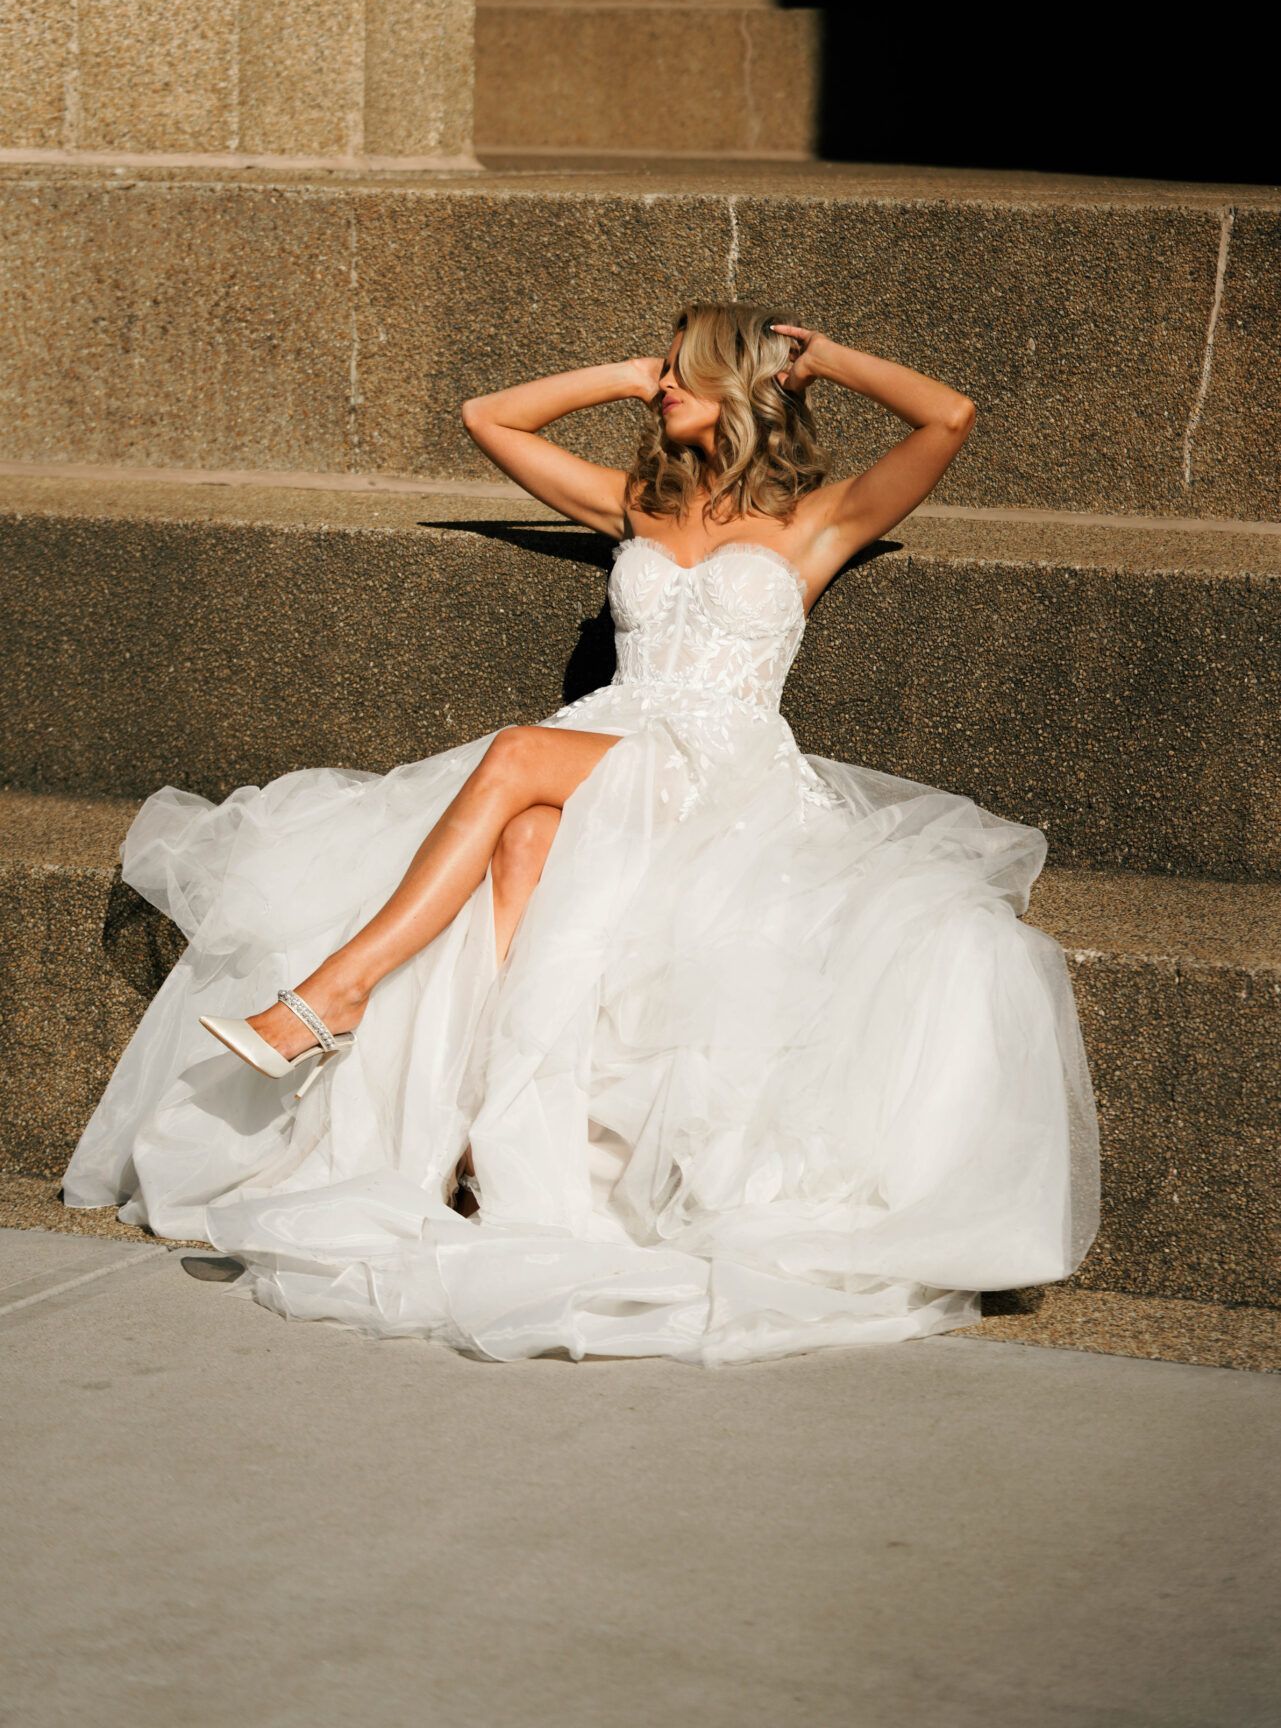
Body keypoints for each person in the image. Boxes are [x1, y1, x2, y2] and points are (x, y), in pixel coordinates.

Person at [60, 301, 1101, 1366]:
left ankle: (337, 990)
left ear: (744, 387)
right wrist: (618, 374)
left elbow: (950, 418)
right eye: (661, 377)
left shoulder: (818, 521)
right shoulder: (640, 508)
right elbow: (489, 419)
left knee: (512, 756)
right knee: (522, 845)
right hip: (605, 749)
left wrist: (823, 359)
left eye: (681, 376)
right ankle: (486, 1140)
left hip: (718, 772)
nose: (662, 392)